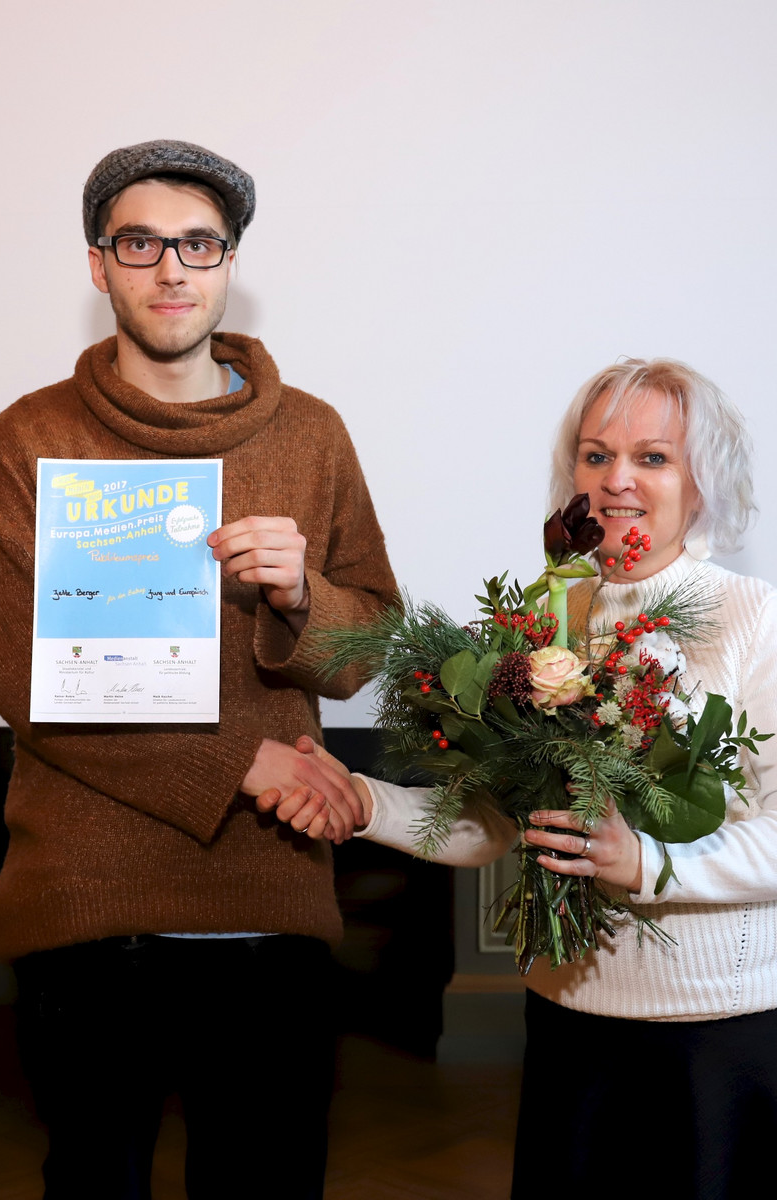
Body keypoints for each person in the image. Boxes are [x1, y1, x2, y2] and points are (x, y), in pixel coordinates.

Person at [0, 139, 398, 1200]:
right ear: (98, 265)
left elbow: (372, 647)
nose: (171, 268)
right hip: (85, 903)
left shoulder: (311, 435)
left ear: (227, 262)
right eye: (141, 243)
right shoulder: (28, 441)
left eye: (197, 243)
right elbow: (24, 679)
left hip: (269, 893)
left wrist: (306, 598)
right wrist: (238, 767)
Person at [263, 358, 777, 1200]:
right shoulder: (540, 621)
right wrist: (365, 801)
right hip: (571, 1016)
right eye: (593, 455)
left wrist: (643, 864)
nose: (616, 481)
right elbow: (498, 823)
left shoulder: (753, 617)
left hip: (719, 1035)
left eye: (653, 458)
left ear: (702, 484)